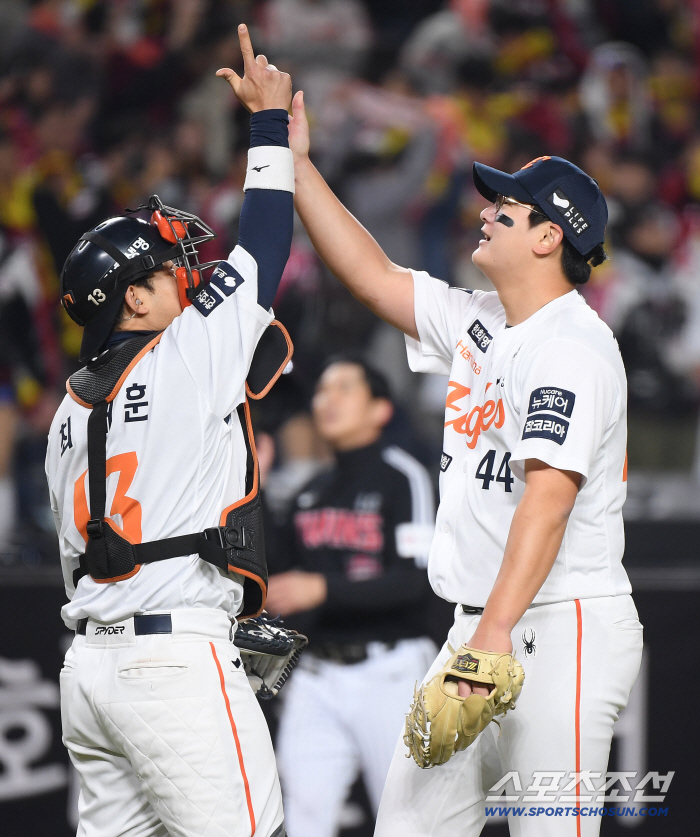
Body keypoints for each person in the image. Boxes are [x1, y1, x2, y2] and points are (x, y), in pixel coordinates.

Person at [287, 85, 643, 837]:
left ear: (550, 238)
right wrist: (296, 166)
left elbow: (546, 503)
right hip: (481, 623)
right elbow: (374, 276)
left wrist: (493, 635)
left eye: (507, 210)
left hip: (558, 625)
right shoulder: (481, 323)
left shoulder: (570, 347)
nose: (485, 211)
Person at [45, 26, 294, 837]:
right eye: (168, 269)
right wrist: (268, 128)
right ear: (137, 303)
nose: (188, 273)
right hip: (170, 659)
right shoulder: (180, 355)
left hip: (90, 671)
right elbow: (263, 242)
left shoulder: (66, 412)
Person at [265, 356, 437, 837]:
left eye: (345, 388)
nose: (328, 399)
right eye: (321, 390)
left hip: (391, 671)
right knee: (301, 821)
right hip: (317, 676)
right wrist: (253, 486)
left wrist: (322, 588)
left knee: (408, 824)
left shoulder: (403, 476)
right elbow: (275, 575)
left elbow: (418, 583)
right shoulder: (309, 491)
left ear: (380, 408)